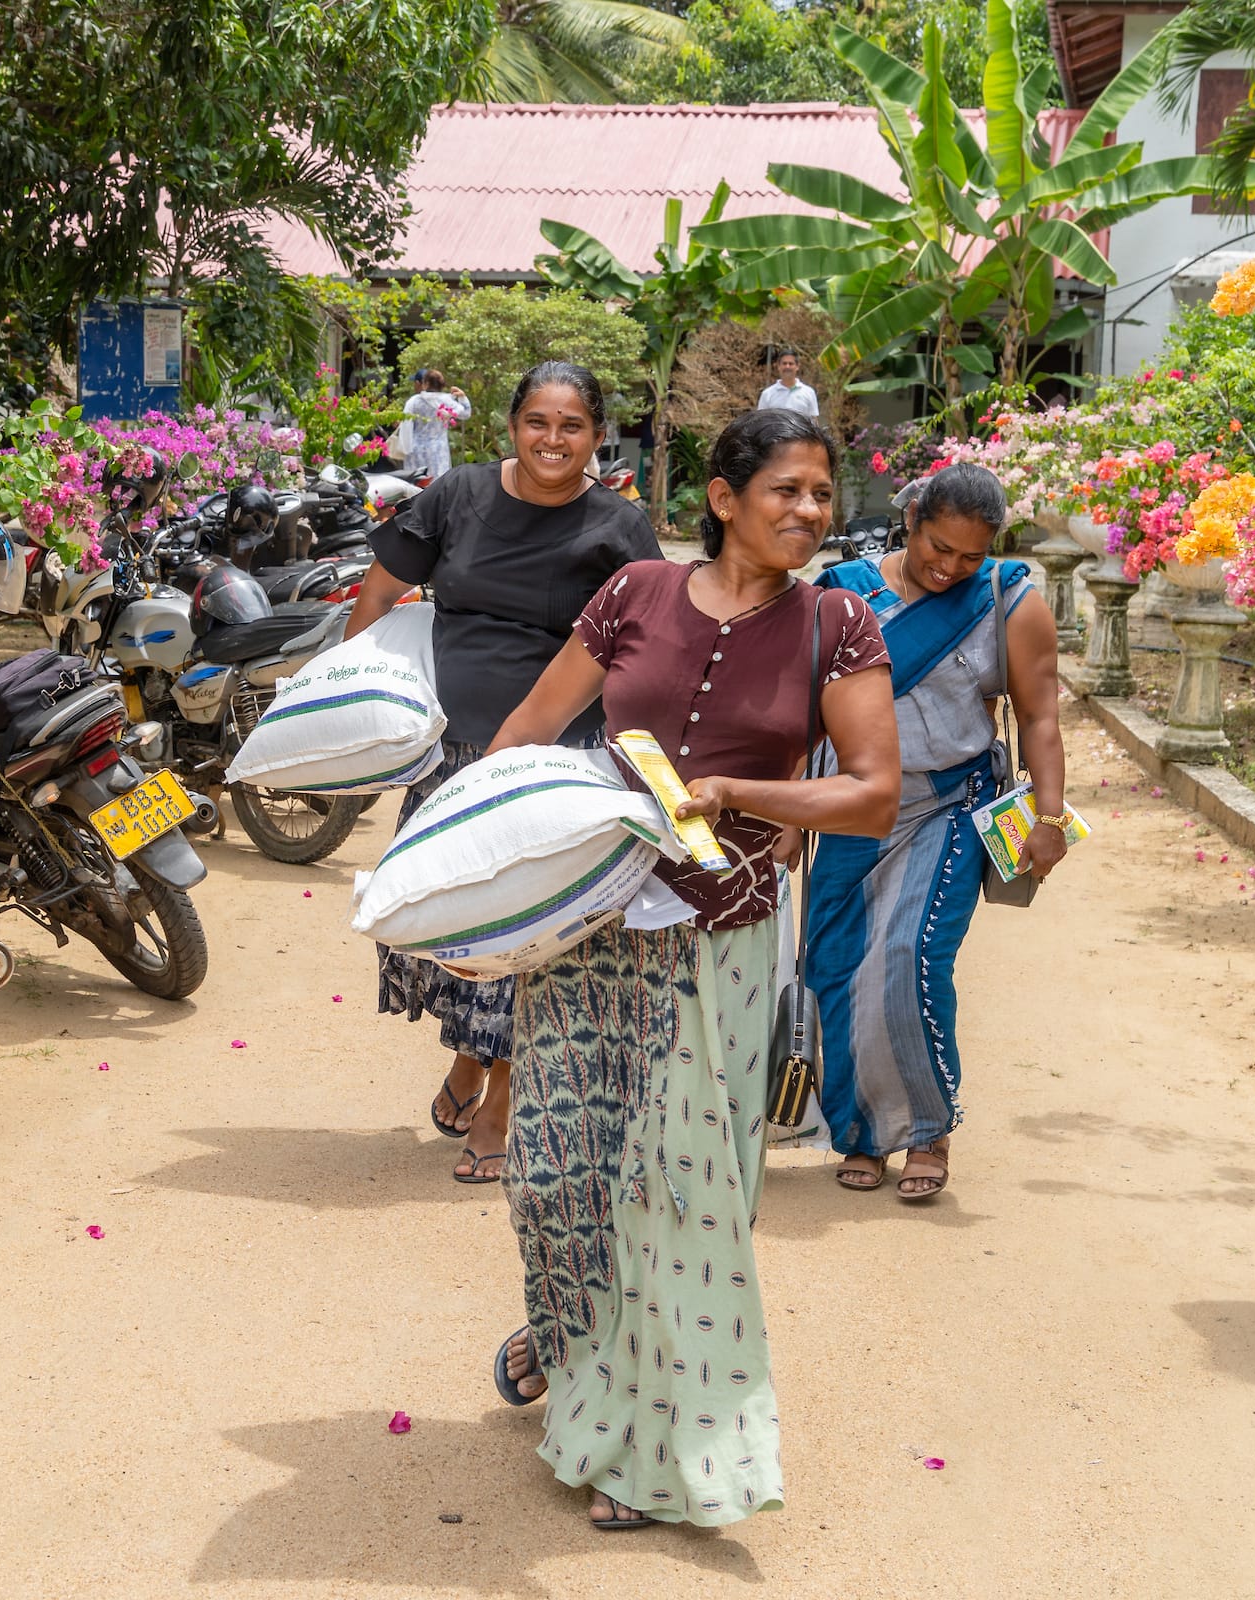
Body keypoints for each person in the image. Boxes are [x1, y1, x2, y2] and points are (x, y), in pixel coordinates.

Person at [483, 407, 900, 1530]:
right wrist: (466, 859)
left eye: (823, 495)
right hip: (588, 931)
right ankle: (575, 1340)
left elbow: (872, 791)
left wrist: (739, 793)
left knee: (674, 1191)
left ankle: (656, 1451)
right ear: (724, 499)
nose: (812, 512)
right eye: (788, 492)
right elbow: (530, 725)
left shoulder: (839, 626)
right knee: (556, 1171)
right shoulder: (636, 598)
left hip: (717, 938)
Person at [347, 361, 661, 1184]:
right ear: (510, 426)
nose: (552, 440)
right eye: (537, 422)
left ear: (597, 436)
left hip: (553, 766)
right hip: (450, 753)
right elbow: (380, 593)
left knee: (522, 935)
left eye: (572, 426)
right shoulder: (458, 499)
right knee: (442, 925)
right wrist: (360, 702)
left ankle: (502, 1098)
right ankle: (466, 1056)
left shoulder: (620, 527)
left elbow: (655, 643)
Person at [809, 462, 1066, 1201]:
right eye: (938, 549)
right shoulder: (842, 594)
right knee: (838, 965)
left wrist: (1048, 819)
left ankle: (927, 1132)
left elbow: (1041, 714)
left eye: (969, 555)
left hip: (950, 801)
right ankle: (861, 1134)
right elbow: (801, 709)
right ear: (912, 518)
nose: (952, 568)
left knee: (911, 956)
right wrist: (788, 813)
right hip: (851, 807)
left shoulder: (1006, 598)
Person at [397, 368, 471, 481]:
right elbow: (466, 413)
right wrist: (462, 396)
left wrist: (405, 449)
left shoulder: (414, 401)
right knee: (439, 485)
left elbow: (406, 426)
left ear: (426, 384)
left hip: (416, 450)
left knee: (418, 485)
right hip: (438, 451)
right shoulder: (447, 401)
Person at [756, 350, 819, 417]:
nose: (787, 367)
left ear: (797, 367)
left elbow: (814, 421)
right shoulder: (767, 394)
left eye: (791, 364)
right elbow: (761, 420)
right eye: (784, 363)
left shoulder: (809, 392)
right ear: (778, 366)